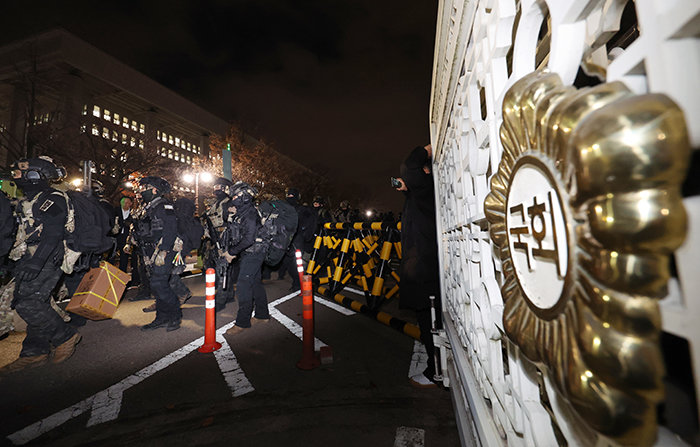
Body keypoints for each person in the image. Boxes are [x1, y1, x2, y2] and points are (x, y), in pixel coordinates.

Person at [0, 157, 81, 374]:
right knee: (32, 301)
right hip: (29, 257)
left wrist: (36, 263)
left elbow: (53, 234)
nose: (15, 176)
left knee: (28, 303)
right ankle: (34, 352)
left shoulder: (53, 198)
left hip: (47, 258)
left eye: (19, 172)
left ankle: (65, 335)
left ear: (34, 175)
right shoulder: (30, 199)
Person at [395, 144, 442, 388]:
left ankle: (436, 371)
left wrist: (427, 148)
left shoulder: (426, 187)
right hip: (424, 262)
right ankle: (438, 368)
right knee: (430, 319)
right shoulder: (422, 193)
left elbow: (409, 165)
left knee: (430, 320)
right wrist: (406, 189)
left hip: (424, 265)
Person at [132, 176, 181, 332]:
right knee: (158, 285)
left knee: (159, 284)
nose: (141, 191)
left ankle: (175, 315)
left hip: (162, 251)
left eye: (144, 187)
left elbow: (171, 229)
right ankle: (161, 317)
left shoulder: (164, 205)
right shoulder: (148, 207)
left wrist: (165, 250)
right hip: (149, 251)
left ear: (154, 190)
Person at [225, 181, 270, 335]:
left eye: (236, 195)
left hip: (254, 253)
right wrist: (232, 214)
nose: (233, 198)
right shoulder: (242, 211)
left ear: (244, 197)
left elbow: (249, 239)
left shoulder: (250, 214)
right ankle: (262, 315)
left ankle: (242, 323)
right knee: (255, 283)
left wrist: (231, 253)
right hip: (249, 252)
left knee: (244, 286)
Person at [204, 177, 237, 312]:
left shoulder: (229, 203)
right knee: (223, 269)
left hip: (225, 240)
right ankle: (228, 294)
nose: (216, 189)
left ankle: (221, 299)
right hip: (214, 240)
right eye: (215, 186)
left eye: (219, 186)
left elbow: (233, 224)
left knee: (222, 270)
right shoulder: (215, 204)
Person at [115, 195, 140, 286]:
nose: (128, 204)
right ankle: (121, 280)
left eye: (129, 202)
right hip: (119, 238)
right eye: (126, 202)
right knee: (122, 259)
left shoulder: (133, 212)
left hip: (130, 238)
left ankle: (135, 280)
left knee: (134, 259)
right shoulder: (116, 211)